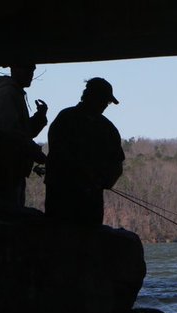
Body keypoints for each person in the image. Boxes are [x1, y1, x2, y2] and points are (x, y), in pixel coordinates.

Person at [45, 77, 125, 226]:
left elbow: (116, 165)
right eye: (104, 100)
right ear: (92, 97)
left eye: (107, 102)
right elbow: (58, 155)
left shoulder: (65, 118)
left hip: (82, 197)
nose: (105, 105)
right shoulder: (69, 120)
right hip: (63, 195)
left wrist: (105, 180)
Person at [0, 63, 48, 206]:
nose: (31, 74)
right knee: (10, 214)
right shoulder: (7, 95)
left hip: (13, 170)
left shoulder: (14, 94)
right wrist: (37, 153)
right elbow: (11, 134)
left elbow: (21, 132)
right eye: (27, 69)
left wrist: (39, 117)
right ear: (15, 69)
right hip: (6, 170)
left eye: (32, 70)